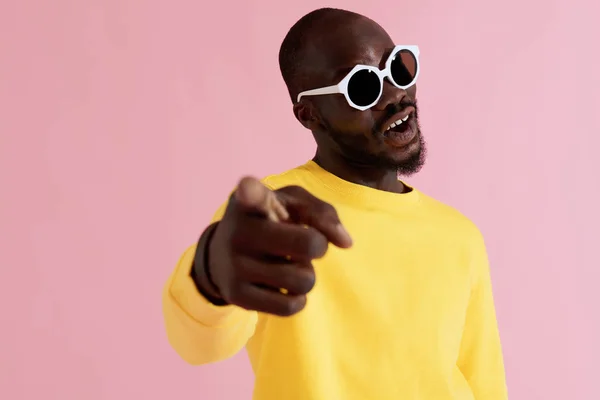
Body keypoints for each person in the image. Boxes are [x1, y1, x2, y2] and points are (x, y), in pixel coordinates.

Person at [162, 7, 508, 400]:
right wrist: (209, 275)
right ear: (309, 114)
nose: (396, 95)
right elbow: (199, 344)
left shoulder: (458, 235)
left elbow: (484, 384)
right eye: (363, 87)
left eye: (399, 67)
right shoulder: (274, 216)